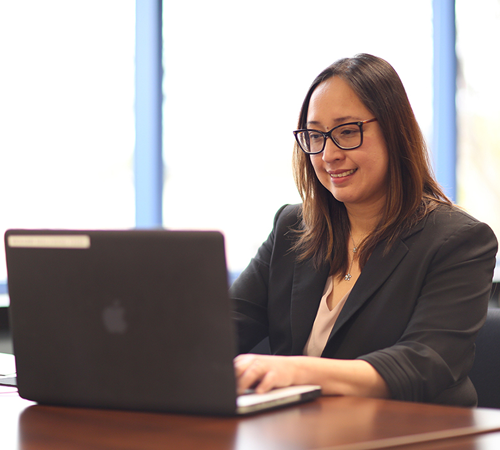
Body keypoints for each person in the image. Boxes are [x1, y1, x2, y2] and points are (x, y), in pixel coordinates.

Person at [230, 53, 498, 406]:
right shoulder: (292, 227)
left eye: (346, 132)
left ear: (394, 131)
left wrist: (296, 371)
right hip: (302, 434)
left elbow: (424, 363)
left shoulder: (459, 241)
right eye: (315, 135)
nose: (328, 154)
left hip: (416, 435)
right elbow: (223, 328)